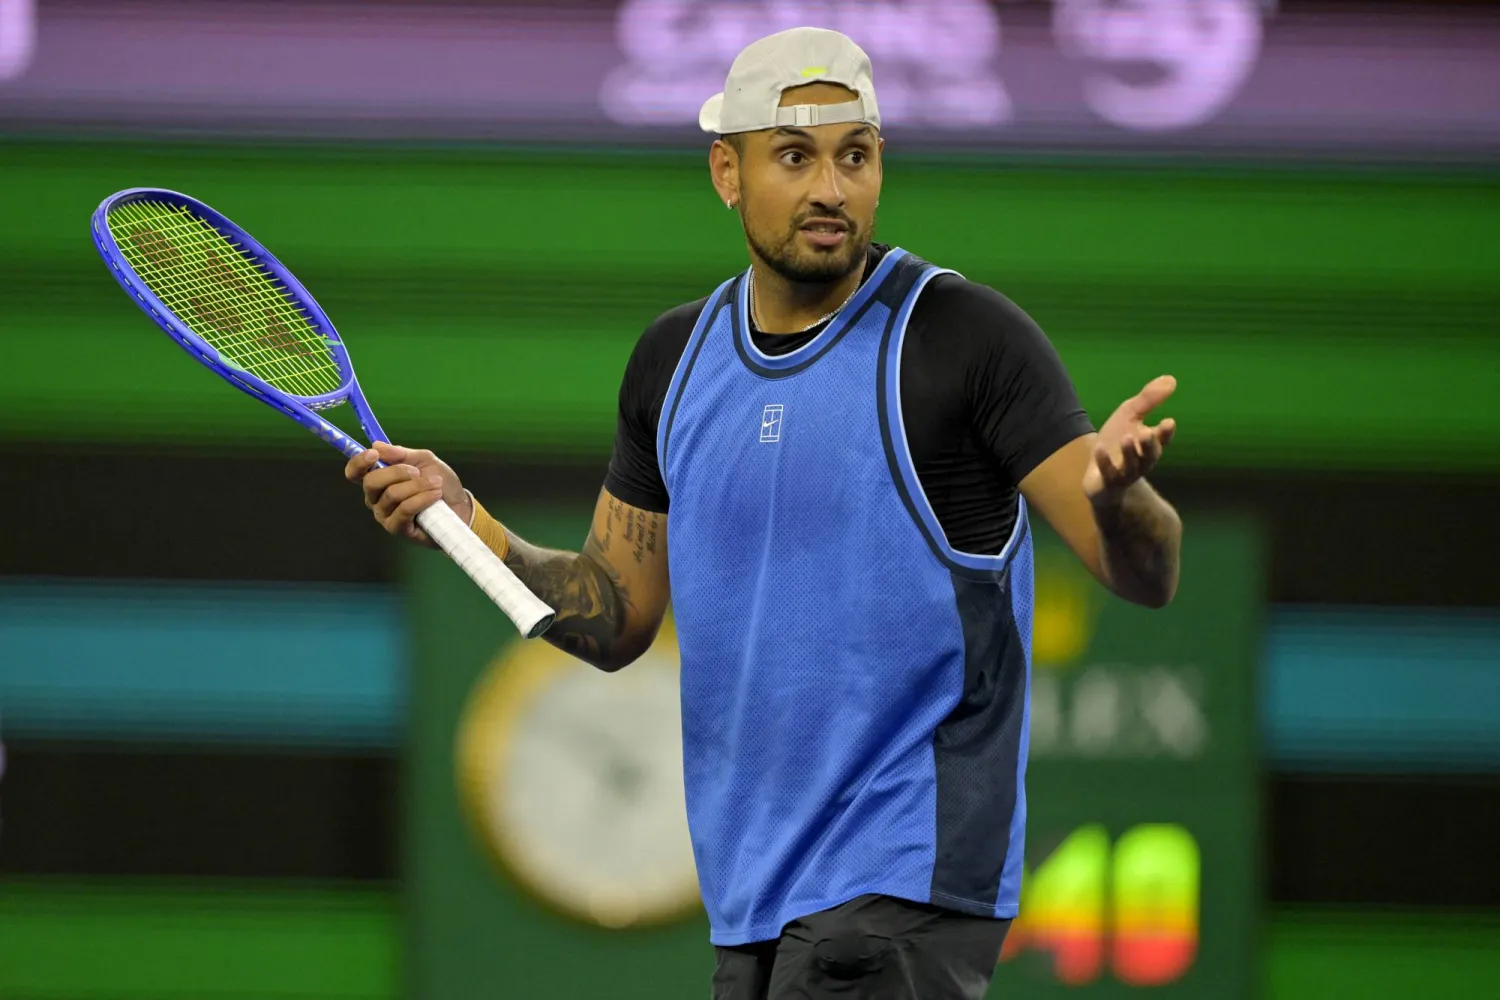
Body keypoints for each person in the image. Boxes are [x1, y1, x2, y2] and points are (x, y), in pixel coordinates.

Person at [347, 26, 1181, 1000]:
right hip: (754, 893)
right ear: (726, 172)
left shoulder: (963, 340)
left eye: (855, 156)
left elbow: (1143, 572)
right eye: (795, 156)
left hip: (904, 872)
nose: (831, 188)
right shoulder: (672, 364)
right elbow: (615, 616)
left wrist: (1121, 496)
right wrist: (465, 520)